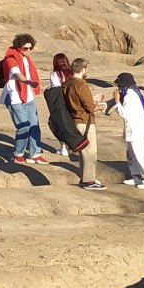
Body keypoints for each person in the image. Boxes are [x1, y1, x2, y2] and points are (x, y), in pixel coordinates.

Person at [0, 34, 47, 165]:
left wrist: (30, 85)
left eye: (30, 48)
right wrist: (28, 82)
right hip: (14, 97)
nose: (28, 51)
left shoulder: (26, 59)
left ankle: (35, 153)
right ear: (18, 47)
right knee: (23, 127)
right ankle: (18, 153)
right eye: (25, 48)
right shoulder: (11, 58)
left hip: (28, 96)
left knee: (34, 125)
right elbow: (18, 75)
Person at [114, 72, 144, 189]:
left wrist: (117, 101)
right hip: (137, 128)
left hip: (136, 130)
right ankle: (137, 176)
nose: (118, 88)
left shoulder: (129, 96)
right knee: (131, 154)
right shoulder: (137, 92)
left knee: (139, 156)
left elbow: (125, 114)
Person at [66, 57, 103, 190]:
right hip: (85, 121)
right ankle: (88, 181)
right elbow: (90, 107)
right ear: (83, 69)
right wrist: (101, 106)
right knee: (90, 151)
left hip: (73, 120)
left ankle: (86, 177)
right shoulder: (81, 85)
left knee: (83, 151)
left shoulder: (67, 83)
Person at [43, 53, 81, 159]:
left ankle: (64, 147)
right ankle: (75, 146)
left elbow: (55, 89)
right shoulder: (72, 73)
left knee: (60, 124)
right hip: (72, 100)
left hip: (60, 102)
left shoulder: (55, 73)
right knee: (72, 123)